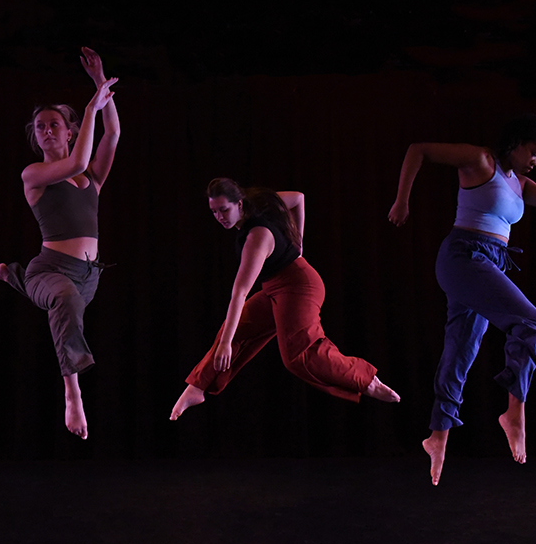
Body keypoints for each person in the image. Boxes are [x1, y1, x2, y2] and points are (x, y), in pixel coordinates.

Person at [388, 114, 536, 484]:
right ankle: (514, 410)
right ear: (516, 142)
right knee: (530, 321)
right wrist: (402, 201)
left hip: (490, 262)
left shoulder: (520, 183)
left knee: (461, 348)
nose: (535, 161)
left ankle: (438, 434)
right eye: (534, 152)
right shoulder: (480, 161)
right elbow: (419, 150)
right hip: (463, 256)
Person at [170, 178, 400, 420]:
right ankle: (196, 387)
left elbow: (239, 292)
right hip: (275, 287)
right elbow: (298, 198)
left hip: (299, 286)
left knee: (298, 355)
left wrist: (226, 344)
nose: (219, 217)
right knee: (235, 330)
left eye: (224, 210)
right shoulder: (256, 203)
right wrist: (298, 239)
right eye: (214, 211)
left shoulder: (257, 237)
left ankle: (366, 380)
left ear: (238, 203)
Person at [0, 47, 120, 439]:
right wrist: (90, 108)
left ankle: (11, 274)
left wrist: (99, 83)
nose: (45, 130)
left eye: (53, 124)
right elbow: (74, 163)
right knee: (63, 300)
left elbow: (114, 134)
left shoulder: (93, 177)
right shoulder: (35, 174)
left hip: (88, 276)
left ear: (69, 131)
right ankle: (73, 393)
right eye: (40, 126)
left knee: (70, 299)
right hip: (51, 269)